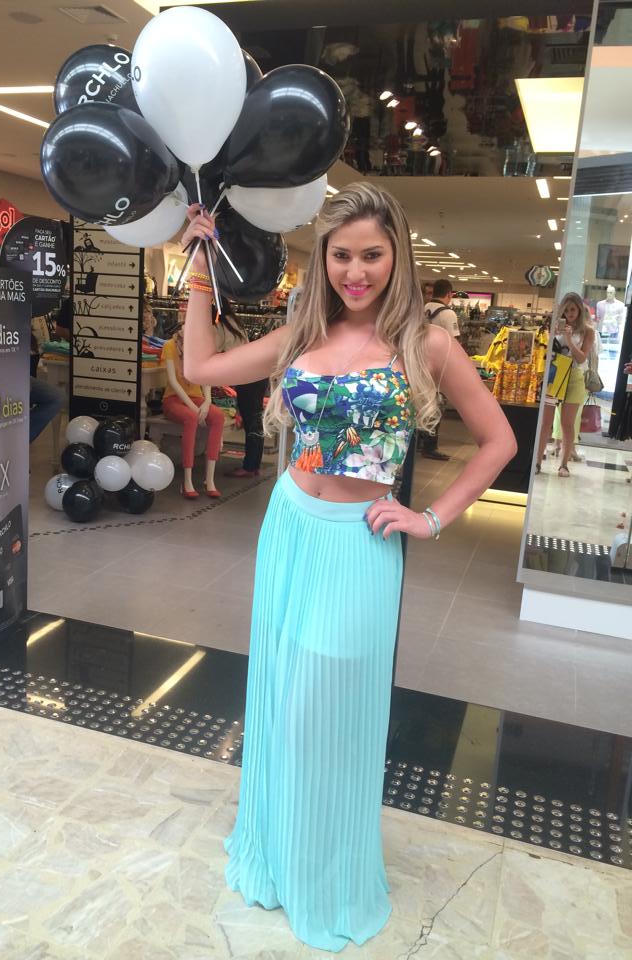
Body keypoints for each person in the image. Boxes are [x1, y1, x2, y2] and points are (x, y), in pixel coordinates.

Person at [180, 182, 515, 953]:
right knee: (280, 697)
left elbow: (498, 441)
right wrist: (198, 262)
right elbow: (199, 365)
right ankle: (279, 850)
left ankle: (326, 873)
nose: (355, 272)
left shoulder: (427, 345)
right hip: (291, 528)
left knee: (323, 711)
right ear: (323, 258)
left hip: (360, 542)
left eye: (371, 255)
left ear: (397, 256)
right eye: (340, 256)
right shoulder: (303, 333)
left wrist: (430, 517)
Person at [161, 322, 225, 498]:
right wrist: (194, 408)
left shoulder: (198, 347)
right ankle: (187, 480)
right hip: (173, 399)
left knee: (218, 417)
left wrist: (207, 402)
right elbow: (173, 381)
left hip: (196, 398)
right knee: (191, 418)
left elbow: (205, 376)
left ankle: (209, 479)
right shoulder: (170, 346)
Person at [535, 292, 594, 478]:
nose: (569, 314)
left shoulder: (587, 331)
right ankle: (537, 462)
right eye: (566, 310)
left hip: (574, 377)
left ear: (580, 310)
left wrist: (569, 339)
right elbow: (544, 352)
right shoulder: (554, 326)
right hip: (554, 375)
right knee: (545, 423)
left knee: (567, 423)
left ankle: (564, 465)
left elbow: (582, 358)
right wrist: (552, 335)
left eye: (573, 309)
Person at [214, 297, 268, 478]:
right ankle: (253, 464)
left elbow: (214, 349)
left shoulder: (219, 325)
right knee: (255, 420)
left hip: (247, 375)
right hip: (256, 371)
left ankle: (250, 466)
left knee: (252, 420)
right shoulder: (234, 321)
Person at [419, 278, 461, 460]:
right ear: (449, 294)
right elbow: (454, 343)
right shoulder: (448, 314)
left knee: (421, 402)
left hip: (419, 362)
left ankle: (418, 442)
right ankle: (429, 446)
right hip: (437, 366)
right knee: (436, 405)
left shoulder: (422, 308)